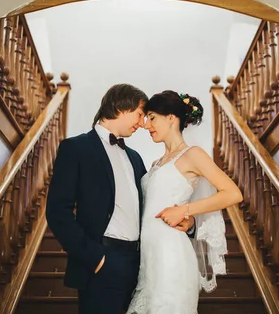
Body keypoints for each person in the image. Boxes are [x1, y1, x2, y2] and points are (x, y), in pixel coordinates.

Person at [46, 84, 195, 314]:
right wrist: (94, 257)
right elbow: (57, 212)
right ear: (122, 107)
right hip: (102, 261)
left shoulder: (134, 158)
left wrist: (189, 223)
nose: (143, 123)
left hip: (141, 264)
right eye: (140, 114)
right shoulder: (76, 148)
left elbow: (154, 204)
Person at [127, 90, 243, 314]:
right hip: (149, 258)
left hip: (172, 257)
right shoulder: (155, 163)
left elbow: (232, 193)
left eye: (152, 118)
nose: (146, 125)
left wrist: (185, 211)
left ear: (171, 118)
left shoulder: (193, 154)